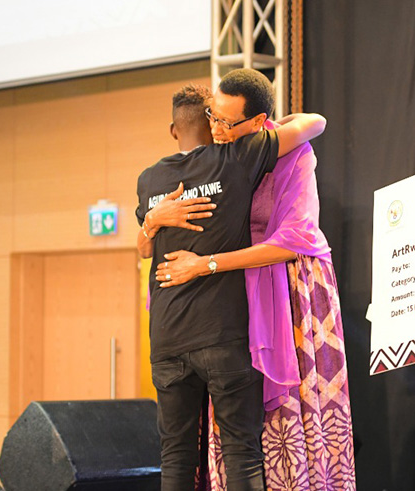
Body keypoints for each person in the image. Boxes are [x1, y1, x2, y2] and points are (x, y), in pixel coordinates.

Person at [153, 73, 356, 489]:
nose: (217, 130)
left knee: (286, 418)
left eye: (228, 123)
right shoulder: (215, 156)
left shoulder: (290, 153)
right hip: (233, 289)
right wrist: (154, 220)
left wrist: (205, 264)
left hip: (291, 290)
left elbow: (291, 243)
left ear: (259, 120)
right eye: (213, 118)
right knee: (234, 429)